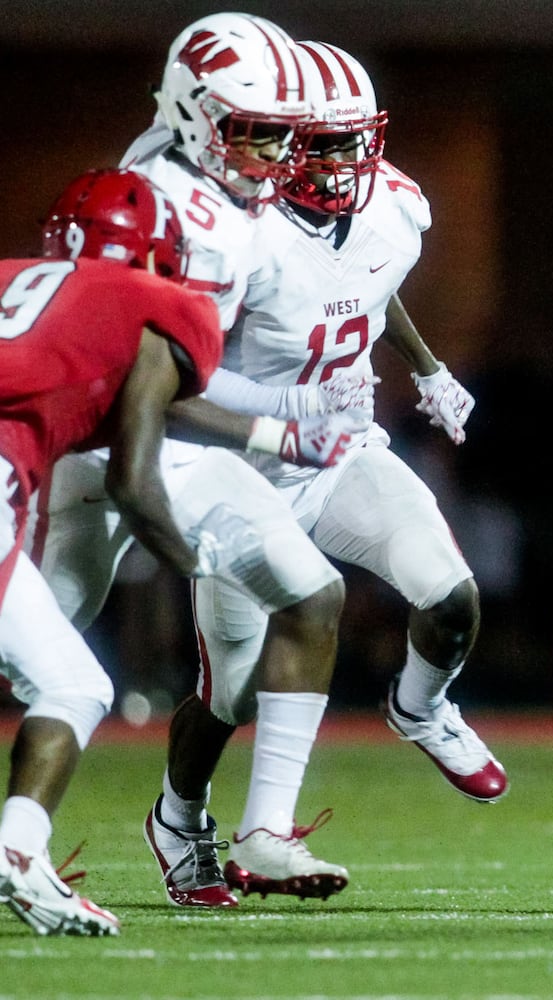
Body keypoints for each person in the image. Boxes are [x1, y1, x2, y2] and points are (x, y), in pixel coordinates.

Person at [40, 15, 359, 909]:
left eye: (281, 134)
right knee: (43, 655)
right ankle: (19, 845)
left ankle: (259, 830)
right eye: (253, 130)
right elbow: (151, 384)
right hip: (101, 437)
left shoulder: (198, 171)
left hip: (179, 439)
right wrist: (282, 425)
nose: (269, 154)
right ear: (194, 113)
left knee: (312, 593)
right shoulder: (163, 207)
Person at [180, 38, 507, 878]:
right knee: (228, 692)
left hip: (344, 453)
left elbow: (367, 279)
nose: (339, 161)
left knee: (451, 597)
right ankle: (181, 815)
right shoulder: (233, 231)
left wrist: (426, 367)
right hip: (243, 470)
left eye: (351, 139)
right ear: (276, 140)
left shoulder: (393, 204)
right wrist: (269, 426)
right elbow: (183, 373)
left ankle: (419, 709)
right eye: (318, 143)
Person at [0, 170, 234, 936]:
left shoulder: (12, 280)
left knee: (67, 679)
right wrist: (200, 564)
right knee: (72, 684)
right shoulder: (158, 305)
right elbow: (135, 479)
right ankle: (16, 852)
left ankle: (18, 854)